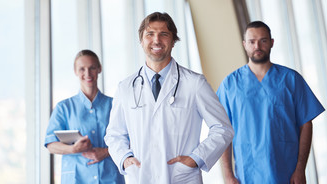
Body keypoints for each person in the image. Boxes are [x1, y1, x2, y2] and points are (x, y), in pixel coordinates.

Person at [104, 12, 234, 184]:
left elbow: (223, 128)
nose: (156, 40)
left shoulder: (195, 83)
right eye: (150, 34)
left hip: (182, 178)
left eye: (164, 34)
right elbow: (114, 134)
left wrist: (196, 158)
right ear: (141, 41)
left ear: (173, 41)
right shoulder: (126, 88)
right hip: (141, 176)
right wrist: (125, 159)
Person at [217, 21, 325, 184]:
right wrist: (228, 175)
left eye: (263, 40)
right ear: (244, 44)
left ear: (272, 43)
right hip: (247, 175)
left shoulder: (291, 80)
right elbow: (222, 131)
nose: (257, 46)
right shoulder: (230, 85)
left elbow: (306, 124)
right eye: (252, 42)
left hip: (286, 174)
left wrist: (300, 169)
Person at [44, 50, 125, 184]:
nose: (87, 73)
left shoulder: (115, 105)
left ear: (99, 69)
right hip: (77, 178)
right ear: (75, 71)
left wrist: (106, 152)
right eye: (82, 69)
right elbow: (51, 145)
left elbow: (130, 139)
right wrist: (73, 149)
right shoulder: (64, 107)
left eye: (92, 68)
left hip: (110, 177)